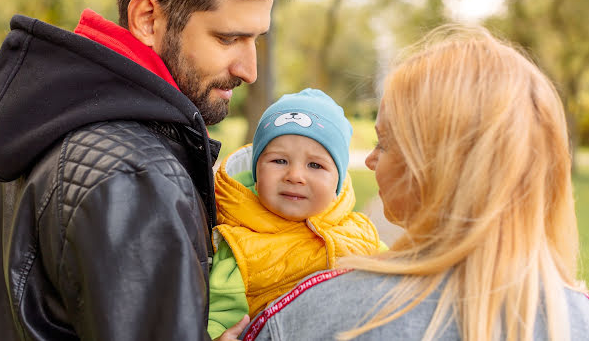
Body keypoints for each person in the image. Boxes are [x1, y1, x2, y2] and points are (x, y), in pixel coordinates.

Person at [0, 0, 290, 340]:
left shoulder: (54, 119)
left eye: (256, 41)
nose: (250, 70)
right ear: (147, 18)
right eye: (228, 38)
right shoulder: (136, 175)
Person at [241, 25, 589, 341]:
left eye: (385, 142)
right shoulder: (577, 318)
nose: (371, 159)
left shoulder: (314, 314)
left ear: (436, 164)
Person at [206, 88, 383, 339]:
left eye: (315, 165)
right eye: (279, 161)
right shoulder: (239, 246)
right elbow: (220, 316)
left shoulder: (360, 233)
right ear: (257, 173)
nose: (295, 176)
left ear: (337, 182)